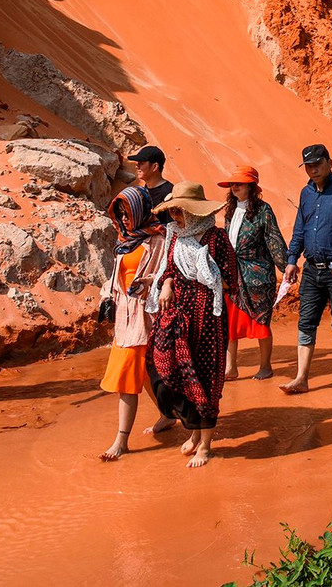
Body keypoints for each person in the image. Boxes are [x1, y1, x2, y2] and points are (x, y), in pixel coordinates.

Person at [146, 182, 239, 468]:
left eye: (180, 211)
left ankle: (206, 446)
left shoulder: (217, 238)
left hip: (208, 317)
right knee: (167, 368)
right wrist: (167, 284)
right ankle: (195, 432)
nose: (175, 216)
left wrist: (206, 274)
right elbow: (169, 271)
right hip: (180, 314)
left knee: (206, 376)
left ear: (195, 212)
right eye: (173, 210)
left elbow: (230, 280)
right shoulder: (176, 237)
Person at [280, 144, 332, 394]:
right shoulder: (306, 193)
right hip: (311, 271)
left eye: (317, 164)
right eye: (308, 166)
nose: (313, 170)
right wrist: (292, 259)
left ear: (329, 162)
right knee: (306, 323)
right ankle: (301, 378)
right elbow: (299, 230)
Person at [98, 185, 170, 461]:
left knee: (127, 375)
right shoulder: (124, 241)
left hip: (146, 315)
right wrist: (106, 295)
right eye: (120, 215)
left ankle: (121, 441)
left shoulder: (158, 240)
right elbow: (116, 276)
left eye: (128, 213)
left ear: (140, 211)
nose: (125, 220)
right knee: (144, 372)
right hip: (124, 316)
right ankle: (167, 414)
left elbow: (167, 275)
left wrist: (150, 284)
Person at [219, 166, 289, 381]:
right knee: (230, 322)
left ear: (251, 186)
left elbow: (274, 240)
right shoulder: (230, 210)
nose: (235, 187)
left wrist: (286, 267)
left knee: (261, 322)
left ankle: (266, 366)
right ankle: (231, 368)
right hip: (232, 275)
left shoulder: (263, 210)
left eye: (239, 183)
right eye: (233, 183)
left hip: (258, 276)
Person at [129, 145, 174, 226]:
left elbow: (172, 227)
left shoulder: (169, 193)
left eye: (141, 163)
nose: (137, 167)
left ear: (154, 167)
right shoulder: (144, 190)